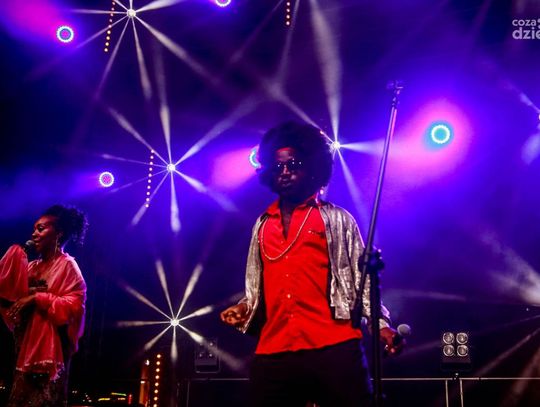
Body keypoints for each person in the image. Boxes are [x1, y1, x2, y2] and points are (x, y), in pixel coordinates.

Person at [220, 121, 404, 407]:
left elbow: (362, 279)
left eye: (293, 164)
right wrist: (245, 307)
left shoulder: (337, 219)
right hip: (275, 349)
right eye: (278, 166)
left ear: (312, 167)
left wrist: (379, 324)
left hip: (333, 345)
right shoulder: (262, 225)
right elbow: (259, 285)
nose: (285, 172)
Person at [0, 204, 88, 407]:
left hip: (51, 356)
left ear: (58, 233)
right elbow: (9, 296)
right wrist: (13, 260)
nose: (34, 234)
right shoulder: (31, 267)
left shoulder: (68, 266)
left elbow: (75, 307)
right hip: (24, 351)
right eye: (34, 229)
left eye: (41, 229)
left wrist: (37, 298)